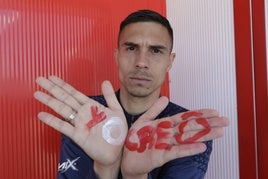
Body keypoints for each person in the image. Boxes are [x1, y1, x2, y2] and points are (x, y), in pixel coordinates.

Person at [34, 9, 229, 179]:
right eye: (131, 48)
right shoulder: (85, 114)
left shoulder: (188, 130)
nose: (141, 62)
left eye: (155, 51)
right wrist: (105, 168)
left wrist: (135, 175)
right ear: (117, 56)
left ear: (170, 61)